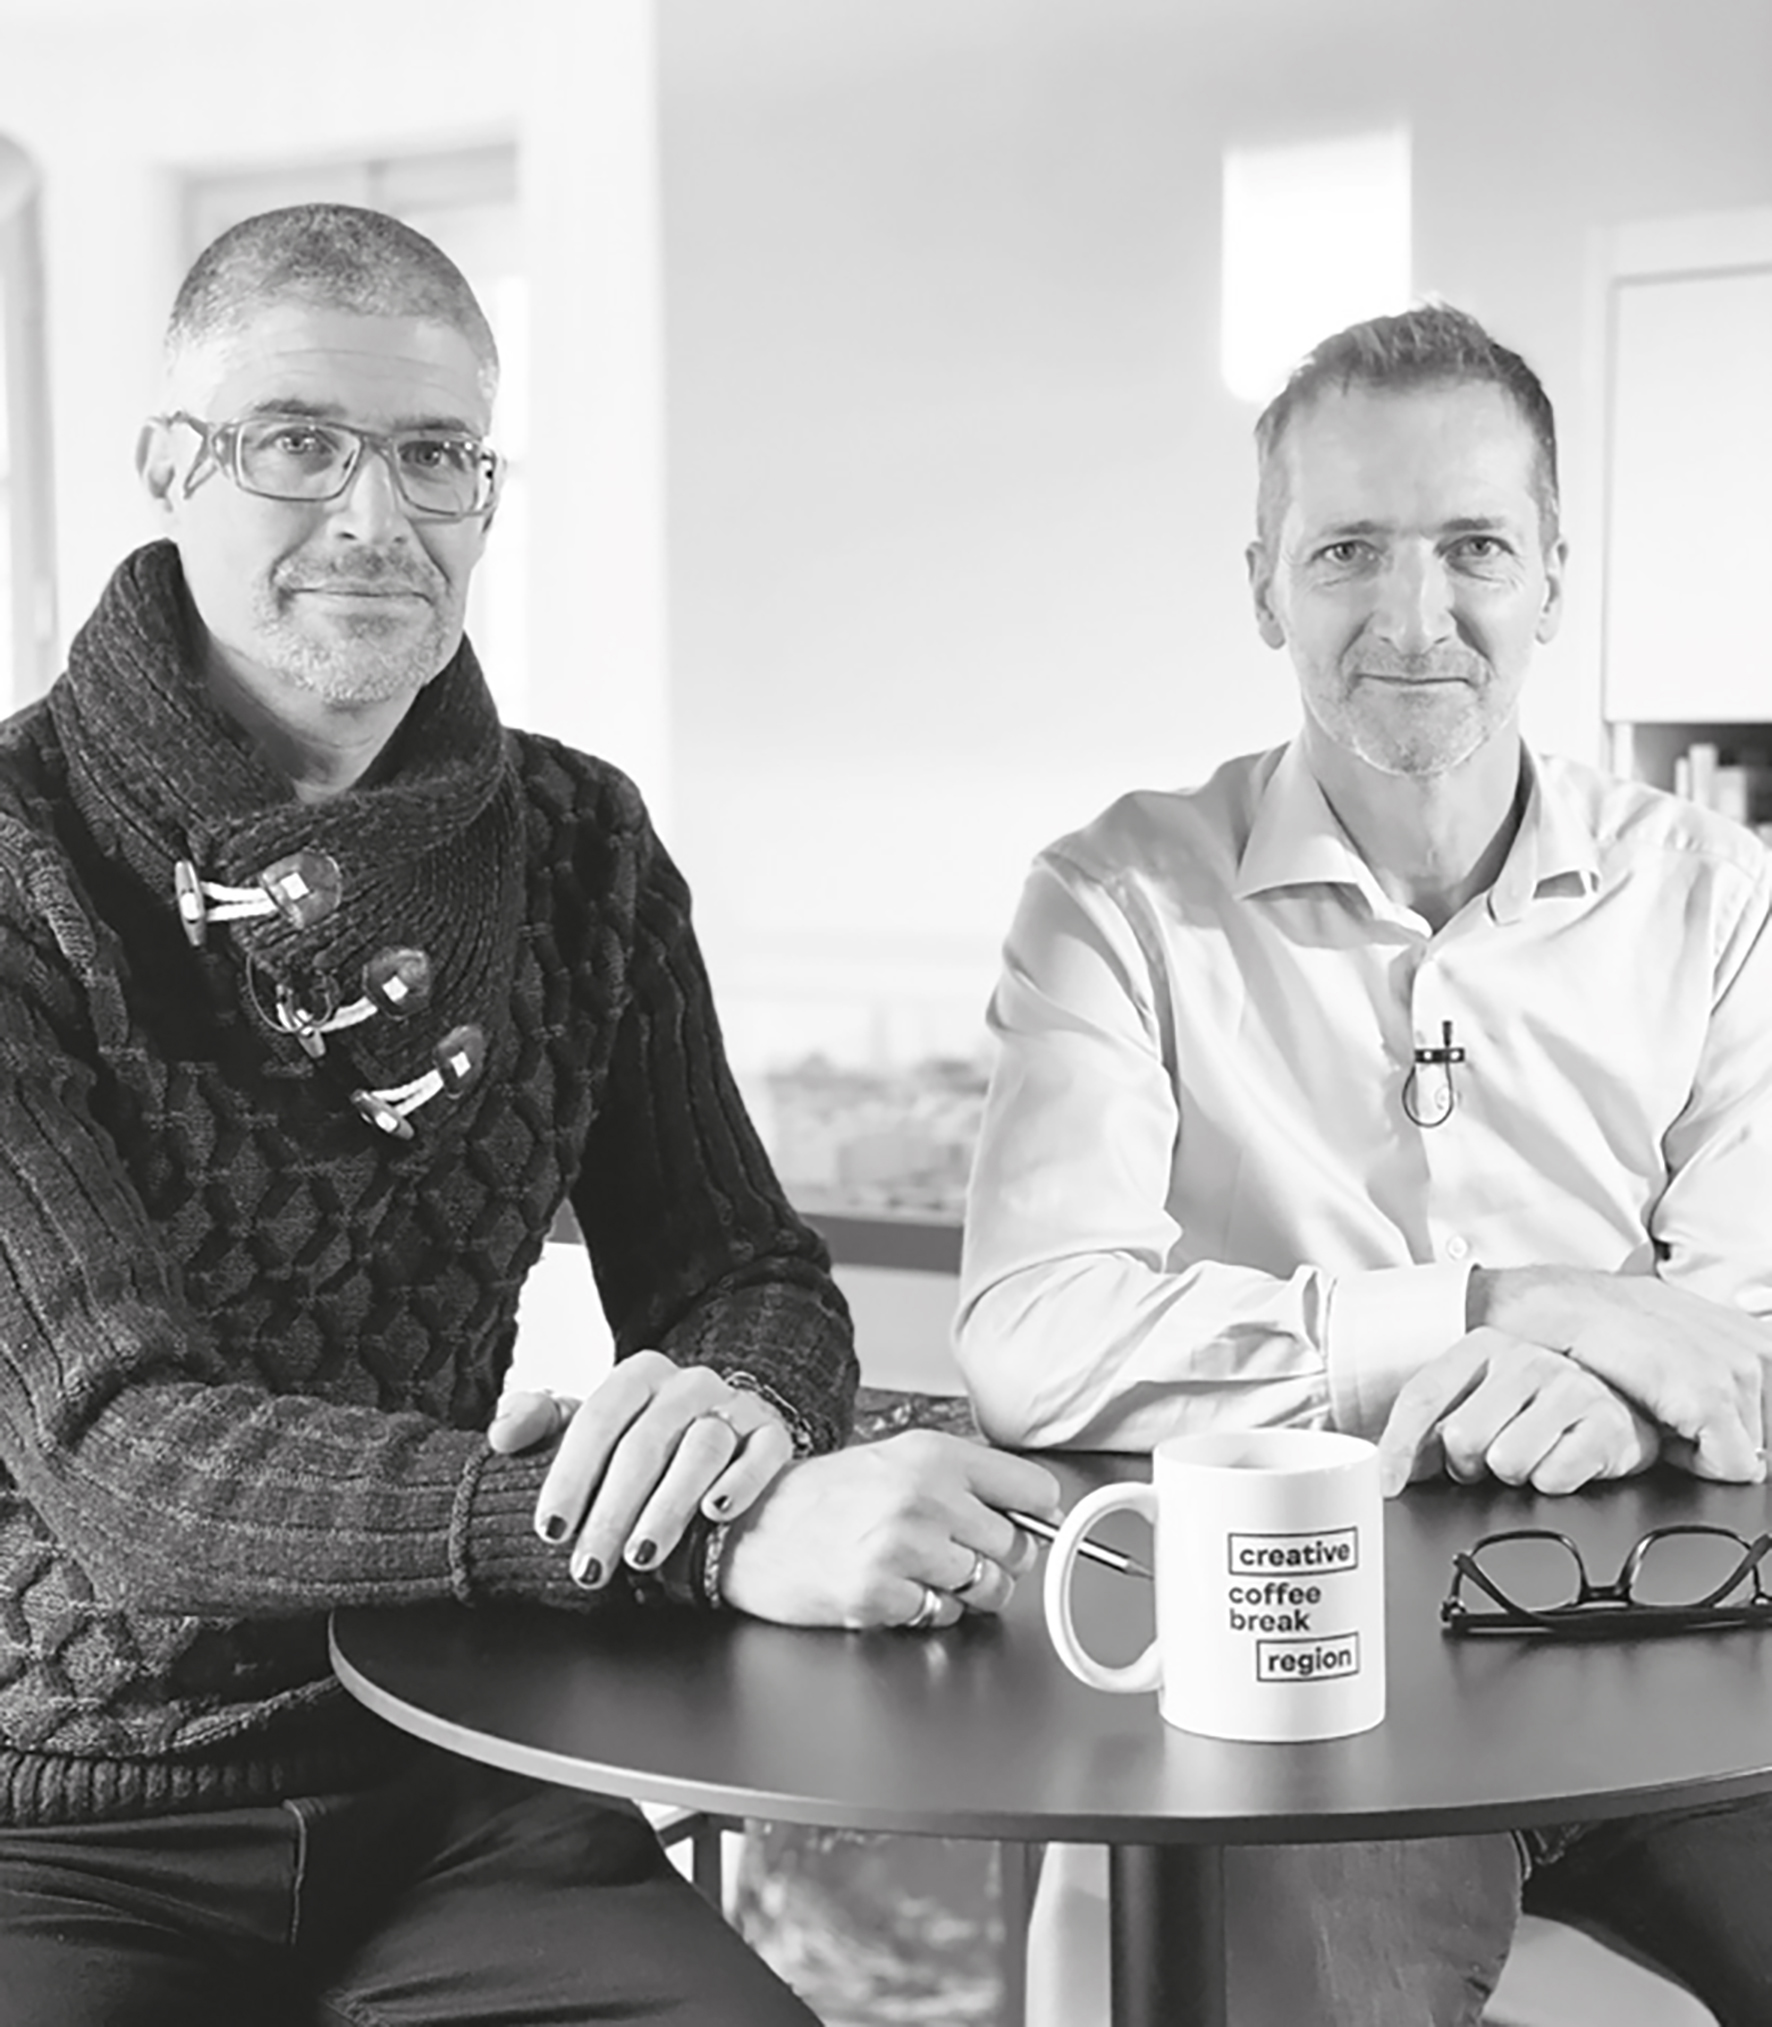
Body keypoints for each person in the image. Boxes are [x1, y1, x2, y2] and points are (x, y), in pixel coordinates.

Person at [0, 202, 1057, 2027]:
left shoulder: (581, 846)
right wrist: (685, 1536)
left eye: (434, 455)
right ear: (169, 468)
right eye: (297, 442)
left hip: (459, 1769)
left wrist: (728, 1414)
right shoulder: (22, 864)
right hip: (61, 1824)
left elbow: (746, 1272)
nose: (375, 515)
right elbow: (127, 1456)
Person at [956, 302, 1772, 2024]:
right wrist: (1494, 1306)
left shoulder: (1721, 898)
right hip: (1293, 1670)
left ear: (1554, 576)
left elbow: (1743, 1334)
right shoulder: (1113, 902)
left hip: (1671, 1645)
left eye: (1475, 546)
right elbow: (1032, 1337)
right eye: (1348, 553)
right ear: (1265, 586)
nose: (1415, 618)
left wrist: (1609, 1391)